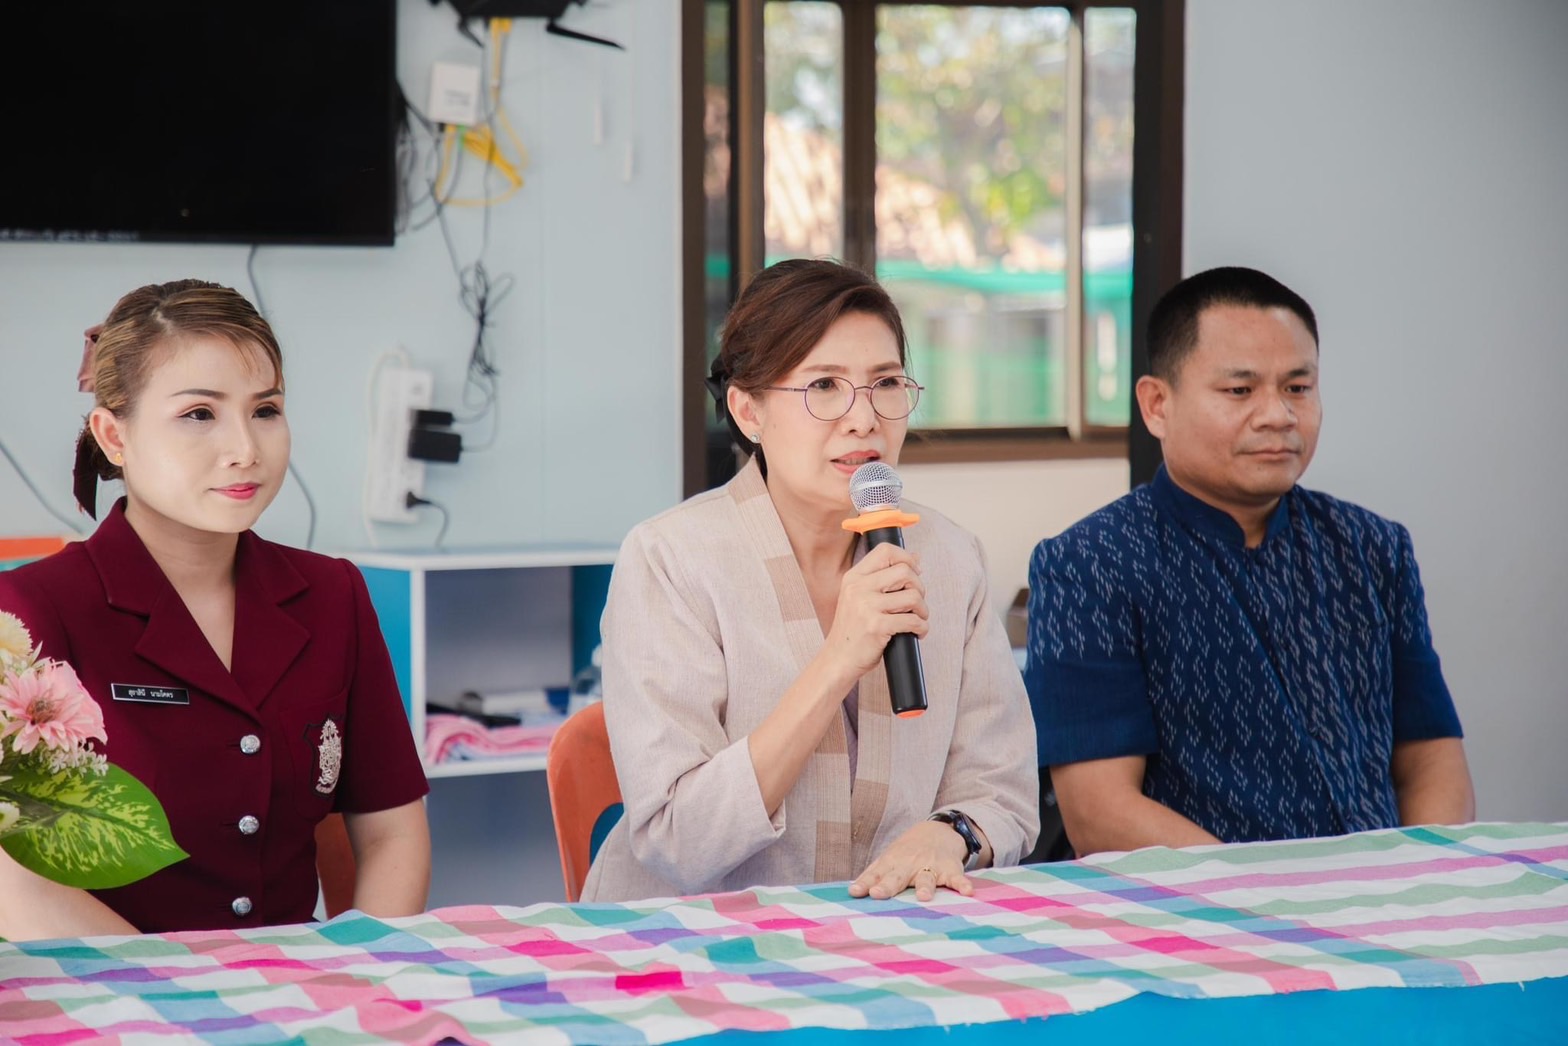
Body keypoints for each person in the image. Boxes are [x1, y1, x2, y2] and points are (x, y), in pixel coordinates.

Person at [582, 259, 1038, 903]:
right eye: (824, 385)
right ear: (748, 411)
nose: (864, 419)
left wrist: (950, 833)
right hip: (687, 948)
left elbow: (1002, 786)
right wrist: (837, 661)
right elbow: (679, 840)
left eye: (886, 383)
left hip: (890, 938)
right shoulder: (670, 559)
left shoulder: (950, 555)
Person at [0, 280, 431, 940]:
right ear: (114, 435)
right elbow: (18, 884)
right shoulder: (31, 610)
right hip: (116, 1001)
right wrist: (186, 1003)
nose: (246, 449)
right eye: (199, 414)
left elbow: (392, 833)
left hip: (300, 996)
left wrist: (360, 981)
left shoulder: (333, 596)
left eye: (265, 410)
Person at [1025, 266, 1474, 857]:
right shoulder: (1088, 566)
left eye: (1298, 388)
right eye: (1241, 391)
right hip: (1206, 917)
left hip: (1385, 901)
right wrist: (1268, 900)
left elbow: (1431, 756)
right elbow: (1100, 812)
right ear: (1157, 405)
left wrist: (1421, 877)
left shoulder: (1375, 548)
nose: (1278, 416)